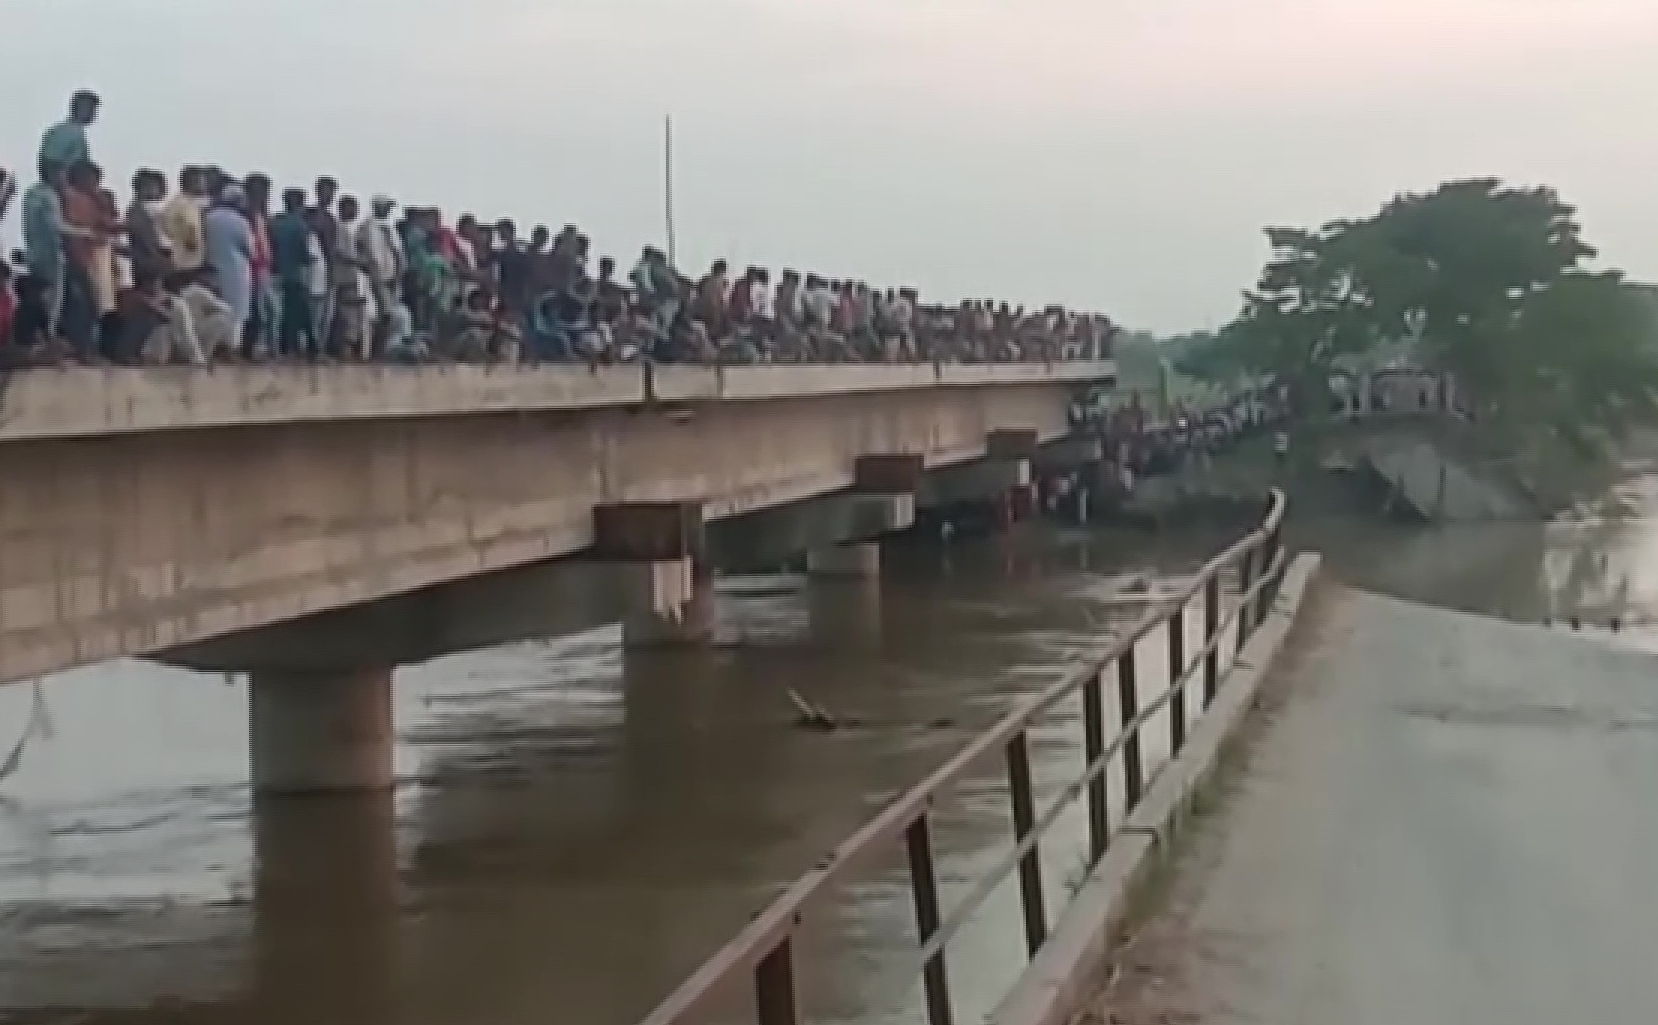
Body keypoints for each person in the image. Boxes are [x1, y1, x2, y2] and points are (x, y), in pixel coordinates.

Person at [59, 159, 115, 358]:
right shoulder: (70, 197)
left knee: (99, 306)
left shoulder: (96, 198)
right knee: (85, 305)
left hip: (99, 257)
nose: (94, 182)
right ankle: (83, 349)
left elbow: (108, 224)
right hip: (80, 257)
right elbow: (72, 228)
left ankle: (93, 348)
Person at [203, 184, 255, 349]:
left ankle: (214, 347)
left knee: (215, 308)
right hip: (236, 270)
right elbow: (250, 249)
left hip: (211, 268)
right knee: (237, 311)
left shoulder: (208, 217)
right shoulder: (241, 221)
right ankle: (231, 348)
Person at [21, 159, 67, 341]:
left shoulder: (31, 193)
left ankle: (33, 337)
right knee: (52, 301)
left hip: (33, 253)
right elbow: (57, 226)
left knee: (36, 297)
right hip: (51, 254)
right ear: (54, 173)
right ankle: (48, 338)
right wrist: (88, 232)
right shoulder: (49, 196)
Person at [269, 188, 316, 358]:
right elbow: (303, 252)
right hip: (296, 275)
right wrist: (310, 259)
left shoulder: (275, 222)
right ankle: (301, 349)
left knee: (283, 314)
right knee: (299, 314)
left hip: (276, 274)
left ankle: (285, 347)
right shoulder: (300, 225)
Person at [357, 195, 404, 353]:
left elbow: (398, 253)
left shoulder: (390, 228)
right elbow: (363, 250)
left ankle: (383, 349)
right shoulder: (366, 227)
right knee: (379, 315)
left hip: (391, 276)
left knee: (390, 315)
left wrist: (398, 274)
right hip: (374, 276)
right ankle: (374, 351)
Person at [332, 195, 373, 359]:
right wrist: (359, 261)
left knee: (359, 316)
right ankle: (345, 351)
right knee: (347, 317)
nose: (355, 211)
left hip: (358, 278)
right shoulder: (339, 228)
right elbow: (339, 252)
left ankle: (358, 351)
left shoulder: (355, 229)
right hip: (345, 277)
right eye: (351, 207)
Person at [125, 169, 172, 279]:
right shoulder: (136, 210)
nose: (153, 189)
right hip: (149, 262)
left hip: (160, 259)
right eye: (148, 186)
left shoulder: (159, 207)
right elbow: (144, 237)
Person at [162, 166, 208, 272]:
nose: (204, 184)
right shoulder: (186, 204)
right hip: (191, 262)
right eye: (201, 180)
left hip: (177, 258)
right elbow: (191, 227)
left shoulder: (173, 203)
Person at [38, 90, 99, 170]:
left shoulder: (77, 133)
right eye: (88, 108)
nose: (92, 113)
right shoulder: (64, 132)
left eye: (94, 109)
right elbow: (51, 163)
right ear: (76, 107)